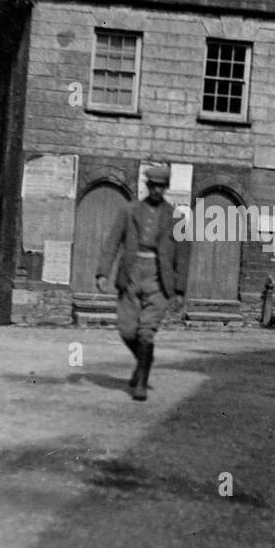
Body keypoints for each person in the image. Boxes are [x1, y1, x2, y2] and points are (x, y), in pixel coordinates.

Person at [95, 162, 190, 400]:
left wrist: (179, 289)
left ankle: (141, 383)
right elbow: (112, 242)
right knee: (127, 330)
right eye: (154, 186)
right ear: (147, 186)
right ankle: (144, 360)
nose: (157, 190)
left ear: (166, 188)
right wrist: (102, 272)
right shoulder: (128, 211)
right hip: (131, 273)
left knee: (146, 332)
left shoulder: (177, 217)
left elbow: (183, 254)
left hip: (160, 277)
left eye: (162, 186)